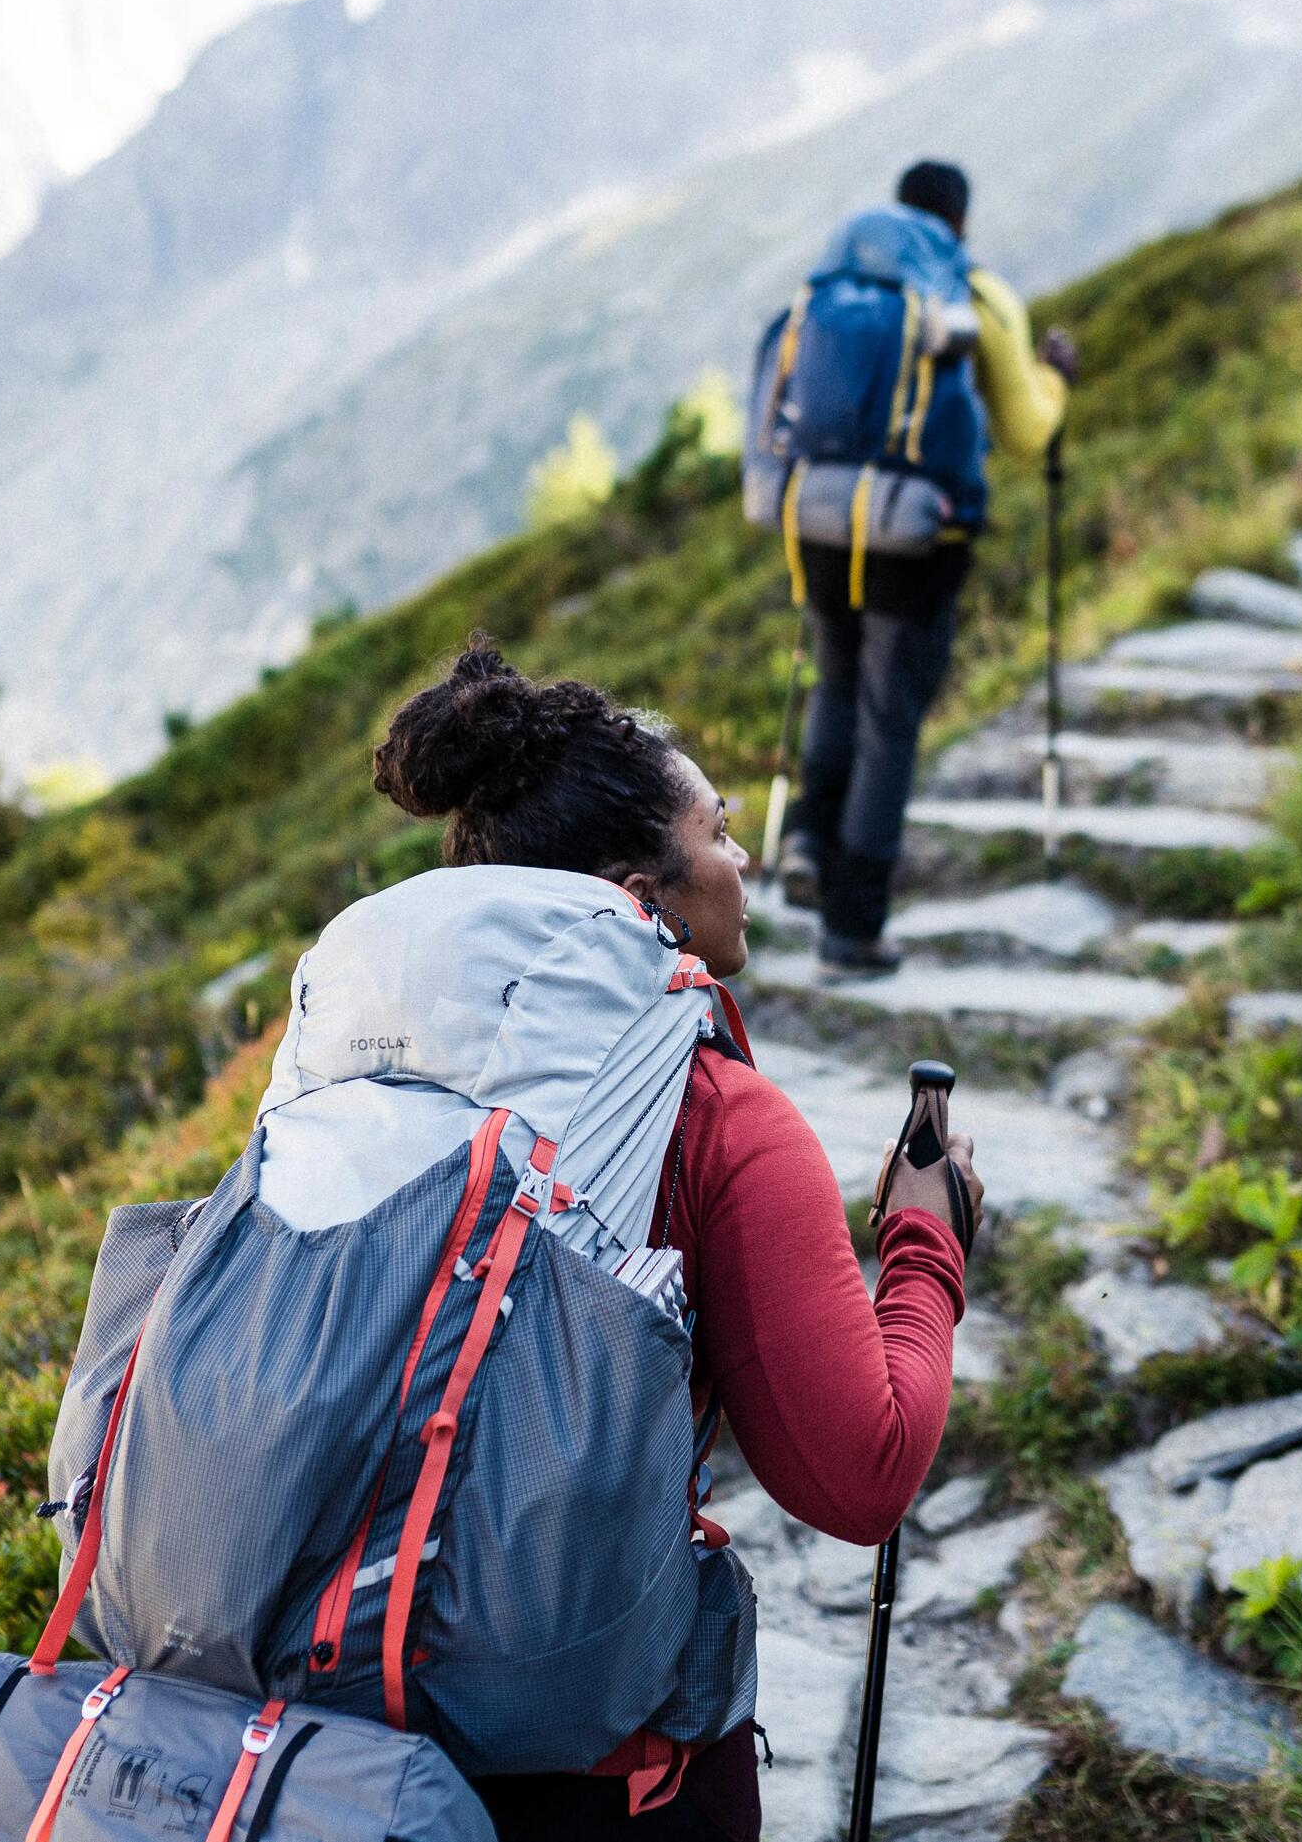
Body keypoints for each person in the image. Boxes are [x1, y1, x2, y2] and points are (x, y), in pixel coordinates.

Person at [368, 639, 984, 1842]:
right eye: (717, 832)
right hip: (601, 1762)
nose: (743, 859)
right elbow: (863, 1475)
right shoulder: (720, 1126)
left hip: (342, 1725)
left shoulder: (372, 1077)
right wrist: (925, 1246)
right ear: (639, 896)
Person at [781, 158, 1077, 973]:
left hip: (821, 517)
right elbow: (1025, 432)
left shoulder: (842, 283)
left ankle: (806, 839)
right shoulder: (974, 294)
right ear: (960, 222)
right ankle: (853, 927)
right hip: (919, 535)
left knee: (837, 682)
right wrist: (1055, 377)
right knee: (889, 719)